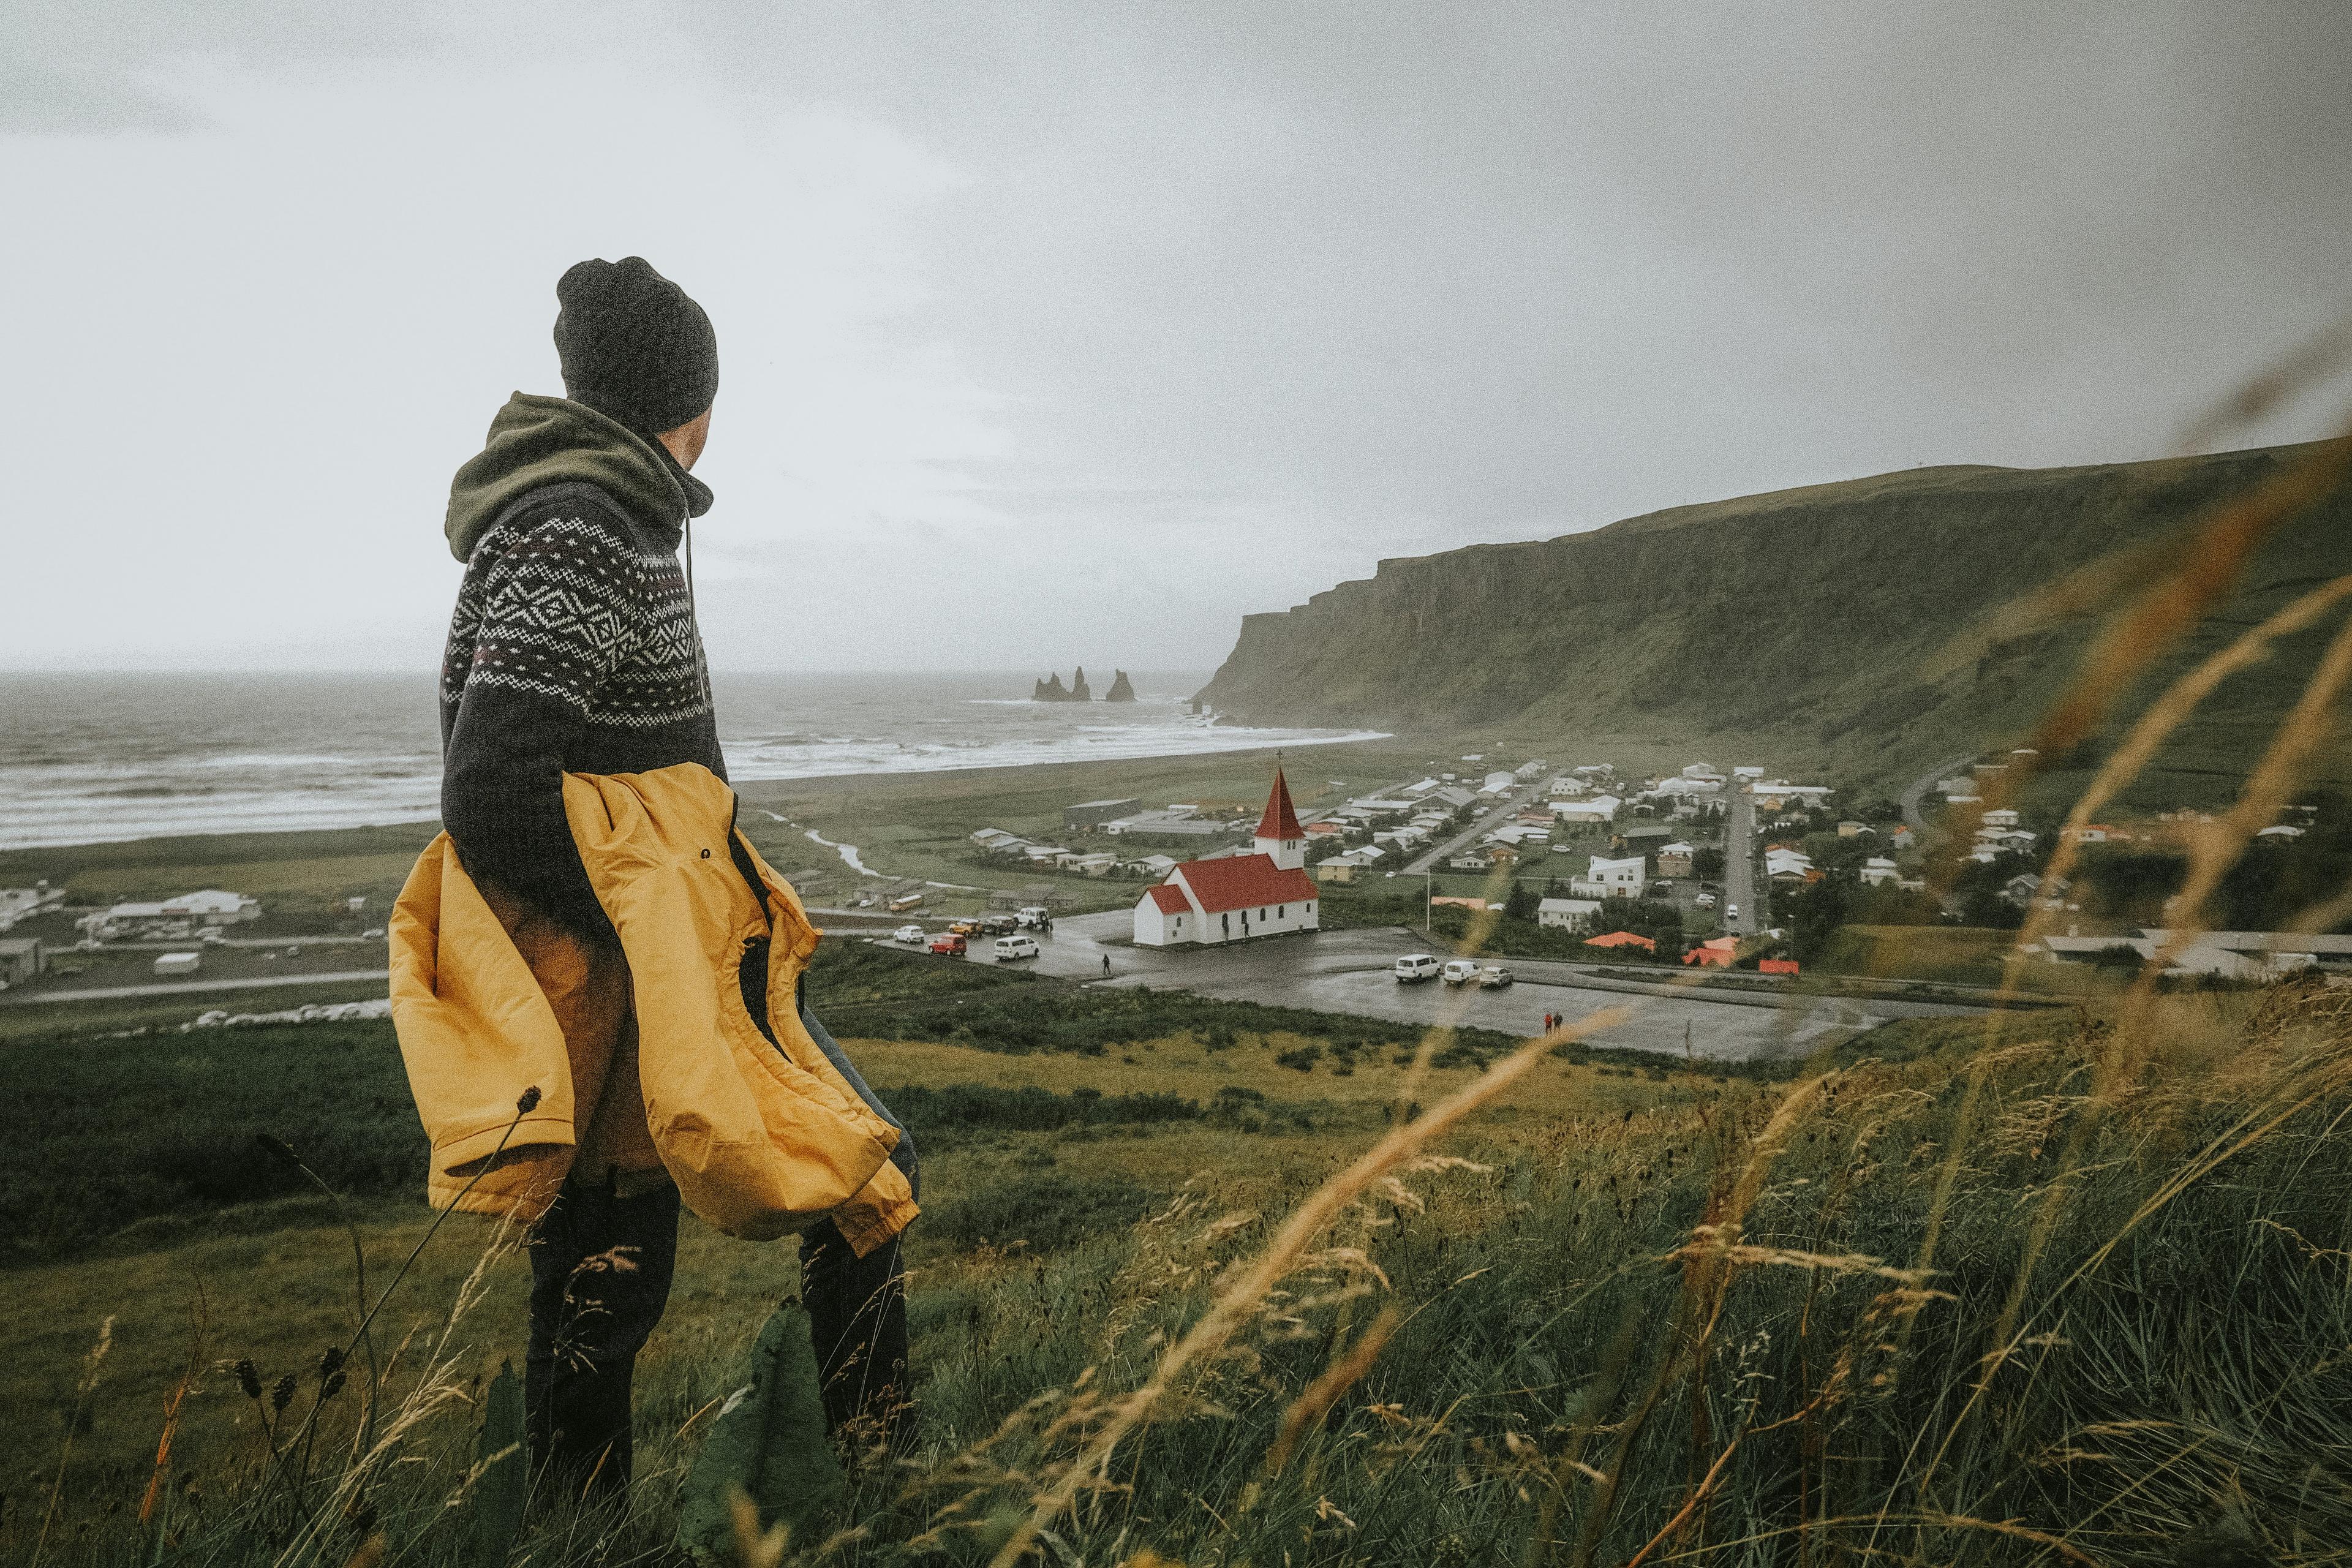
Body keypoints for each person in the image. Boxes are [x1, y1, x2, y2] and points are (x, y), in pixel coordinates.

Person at [437, 257, 916, 1502]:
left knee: (840, 1179)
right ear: (688, 398)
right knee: (620, 1262)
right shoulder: (581, 526)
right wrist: (650, 936)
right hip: (625, 971)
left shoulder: (603, 512)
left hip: (660, 959)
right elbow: (491, 786)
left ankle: (851, 1476)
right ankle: (861, 1480)